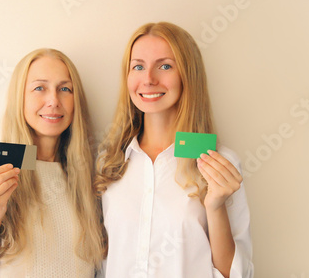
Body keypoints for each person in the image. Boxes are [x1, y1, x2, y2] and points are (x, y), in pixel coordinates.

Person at [94, 22, 253, 278]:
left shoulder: (221, 163)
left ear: (187, 75)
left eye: (165, 65)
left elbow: (236, 274)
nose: (148, 79)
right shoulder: (108, 163)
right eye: (138, 66)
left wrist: (215, 206)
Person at [0, 48, 104, 277]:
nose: (53, 101)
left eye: (65, 89)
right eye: (39, 88)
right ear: (20, 97)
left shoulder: (89, 181)